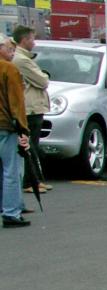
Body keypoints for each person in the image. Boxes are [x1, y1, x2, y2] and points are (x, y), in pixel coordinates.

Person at [11, 25, 50, 194]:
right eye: (32, 39)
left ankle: (35, 179)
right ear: (24, 39)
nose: (34, 43)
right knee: (29, 146)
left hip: (33, 107)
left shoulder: (24, 58)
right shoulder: (22, 60)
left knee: (33, 145)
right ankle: (29, 182)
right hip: (30, 108)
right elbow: (42, 81)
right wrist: (45, 76)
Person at [0, 36, 32, 228]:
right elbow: (16, 102)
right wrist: (23, 128)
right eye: (9, 49)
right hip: (6, 126)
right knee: (12, 170)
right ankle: (11, 212)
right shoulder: (9, 69)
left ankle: (8, 205)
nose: (13, 52)